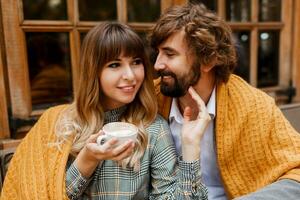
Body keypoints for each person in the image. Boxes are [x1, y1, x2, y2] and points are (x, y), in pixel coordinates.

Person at [1, 22, 209, 199]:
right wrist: (87, 160)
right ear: (94, 72)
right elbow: (44, 194)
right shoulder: (60, 122)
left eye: (136, 62)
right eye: (114, 65)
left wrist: (191, 149)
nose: (130, 75)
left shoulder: (154, 128)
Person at [150, 3, 300, 200]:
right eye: (158, 52)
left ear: (208, 60)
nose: (157, 64)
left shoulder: (254, 105)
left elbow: (296, 172)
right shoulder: (149, 99)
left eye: (170, 54)